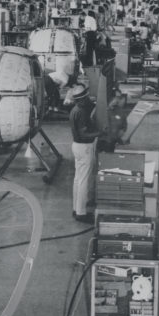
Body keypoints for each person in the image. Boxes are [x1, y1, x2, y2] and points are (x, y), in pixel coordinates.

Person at [69, 85, 103, 224]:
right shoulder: (82, 112)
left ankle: (76, 208)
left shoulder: (75, 109)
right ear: (82, 99)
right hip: (84, 147)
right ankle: (81, 213)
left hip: (76, 146)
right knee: (83, 180)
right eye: (86, 97)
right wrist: (100, 133)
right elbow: (84, 133)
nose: (88, 99)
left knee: (78, 179)